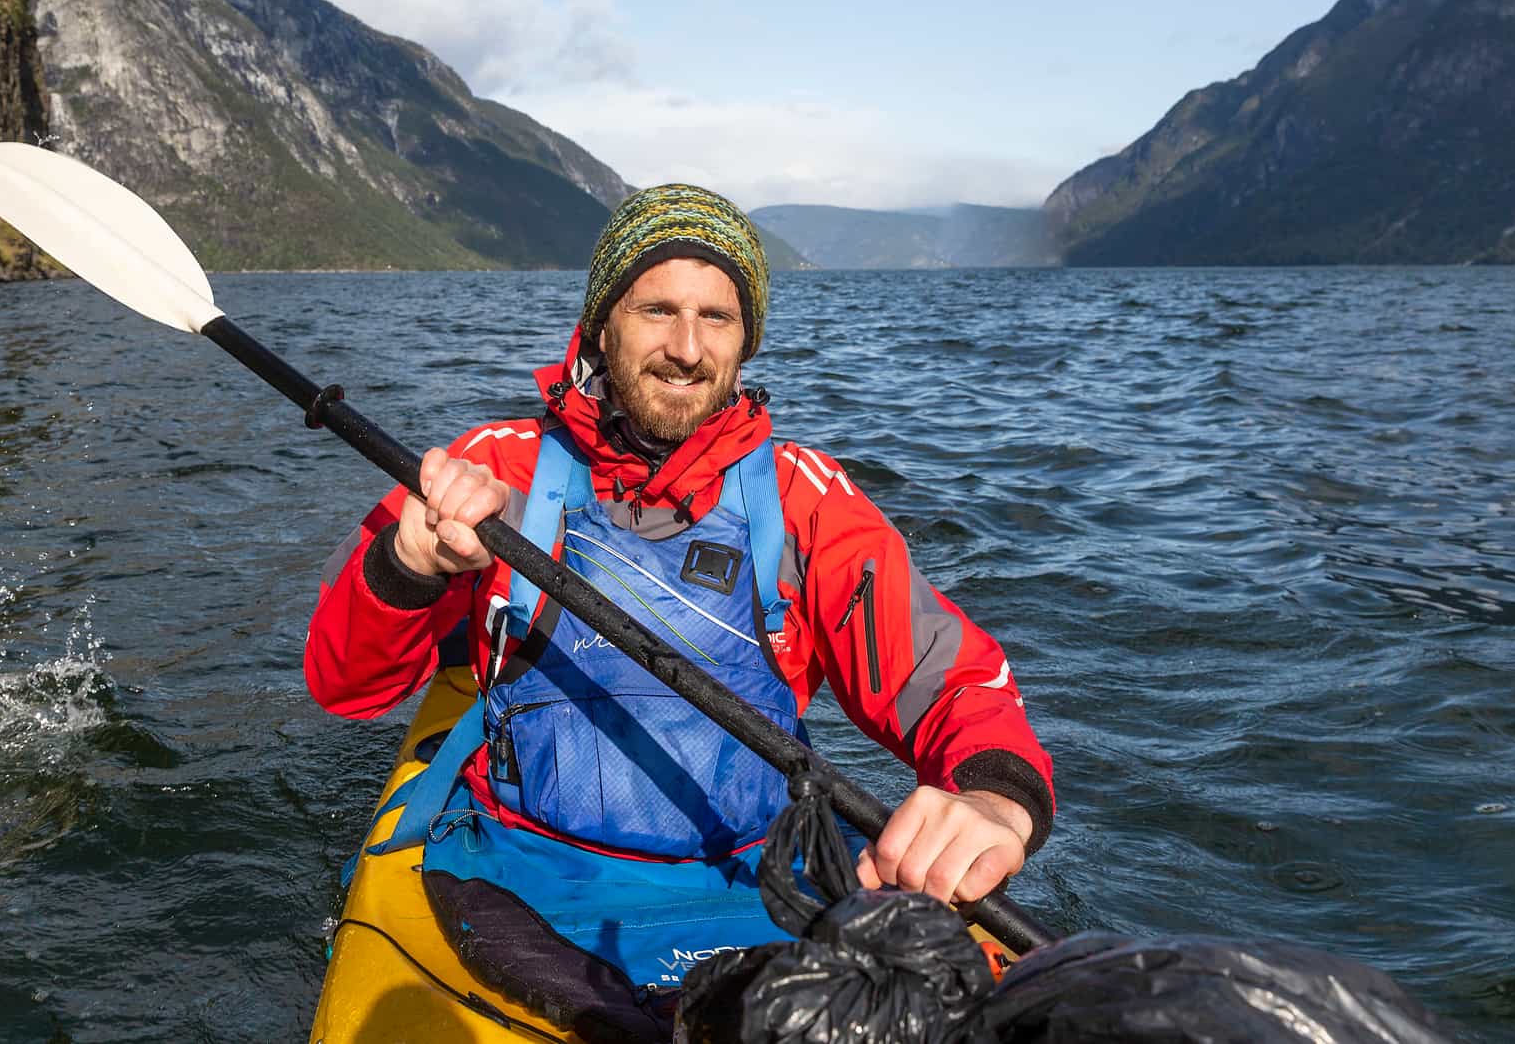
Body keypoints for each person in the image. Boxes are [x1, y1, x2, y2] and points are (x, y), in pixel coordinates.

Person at [305, 185, 1052, 1036]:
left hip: (756, 884)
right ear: (602, 326)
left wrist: (993, 800)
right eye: (657, 309)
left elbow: (951, 677)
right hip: (524, 872)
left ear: (746, 339)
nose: (687, 348)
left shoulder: (805, 500)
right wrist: (412, 564)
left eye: (717, 317)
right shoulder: (490, 470)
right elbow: (343, 683)